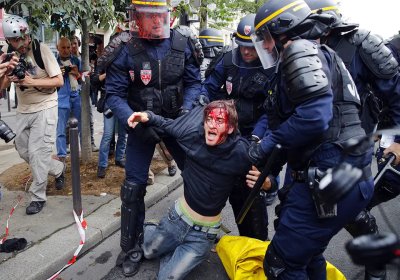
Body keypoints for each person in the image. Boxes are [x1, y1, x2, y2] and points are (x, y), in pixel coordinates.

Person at [250, 0, 374, 278]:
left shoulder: (298, 50)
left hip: (329, 175)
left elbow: (314, 118)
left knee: (281, 263)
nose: (266, 47)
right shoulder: (325, 54)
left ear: (283, 30)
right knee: (308, 254)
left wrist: (265, 147)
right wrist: (269, 159)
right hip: (348, 175)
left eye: (266, 38)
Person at [104, 0, 202, 276]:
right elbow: (114, 94)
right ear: (137, 18)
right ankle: (131, 246)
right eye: (149, 16)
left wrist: (186, 112)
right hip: (140, 125)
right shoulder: (125, 47)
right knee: (133, 189)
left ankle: (196, 233)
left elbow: (195, 82)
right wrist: (132, 122)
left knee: (197, 177)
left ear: (167, 16)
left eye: (159, 16)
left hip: (176, 122)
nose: (155, 22)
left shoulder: (182, 42)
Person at [304, 1, 400, 278]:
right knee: (301, 215)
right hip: (307, 148)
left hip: (350, 149)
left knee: (349, 213)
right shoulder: (295, 46)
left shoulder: (360, 45)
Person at [129, 100, 268, 280]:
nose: (211, 124)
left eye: (219, 121)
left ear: (231, 128)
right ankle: (153, 229)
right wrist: (147, 115)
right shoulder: (192, 133)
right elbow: (166, 124)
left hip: (203, 235)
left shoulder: (241, 152)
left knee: (166, 277)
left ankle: (178, 250)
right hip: (176, 219)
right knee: (147, 251)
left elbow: (266, 170)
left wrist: (268, 182)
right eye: (209, 119)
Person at [203, 14, 277, 241]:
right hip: (226, 134)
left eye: (251, 47)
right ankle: (204, 234)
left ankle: (254, 242)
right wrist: (203, 102)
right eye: (242, 46)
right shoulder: (227, 61)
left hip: (255, 133)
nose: (246, 52)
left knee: (249, 193)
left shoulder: (272, 68)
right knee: (212, 187)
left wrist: (257, 138)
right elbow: (209, 89)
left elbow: (270, 110)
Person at [0, 15, 64, 215]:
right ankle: (58, 169)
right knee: (23, 149)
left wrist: (30, 82)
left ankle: (38, 196)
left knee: (38, 153)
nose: (18, 43)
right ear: (8, 40)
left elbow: (58, 81)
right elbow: (2, 88)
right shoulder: (8, 54)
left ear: (27, 35)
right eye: (13, 40)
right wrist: (7, 76)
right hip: (23, 110)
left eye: (21, 39)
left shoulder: (41, 49)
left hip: (46, 106)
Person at [55, 37, 82, 169]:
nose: (66, 50)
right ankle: (61, 159)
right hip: (61, 98)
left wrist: (77, 73)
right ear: (58, 48)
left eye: (68, 47)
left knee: (76, 127)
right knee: (60, 129)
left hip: (75, 95)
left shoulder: (76, 59)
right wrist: (59, 73)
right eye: (63, 48)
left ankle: (75, 154)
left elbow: (81, 78)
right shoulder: (53, 62)